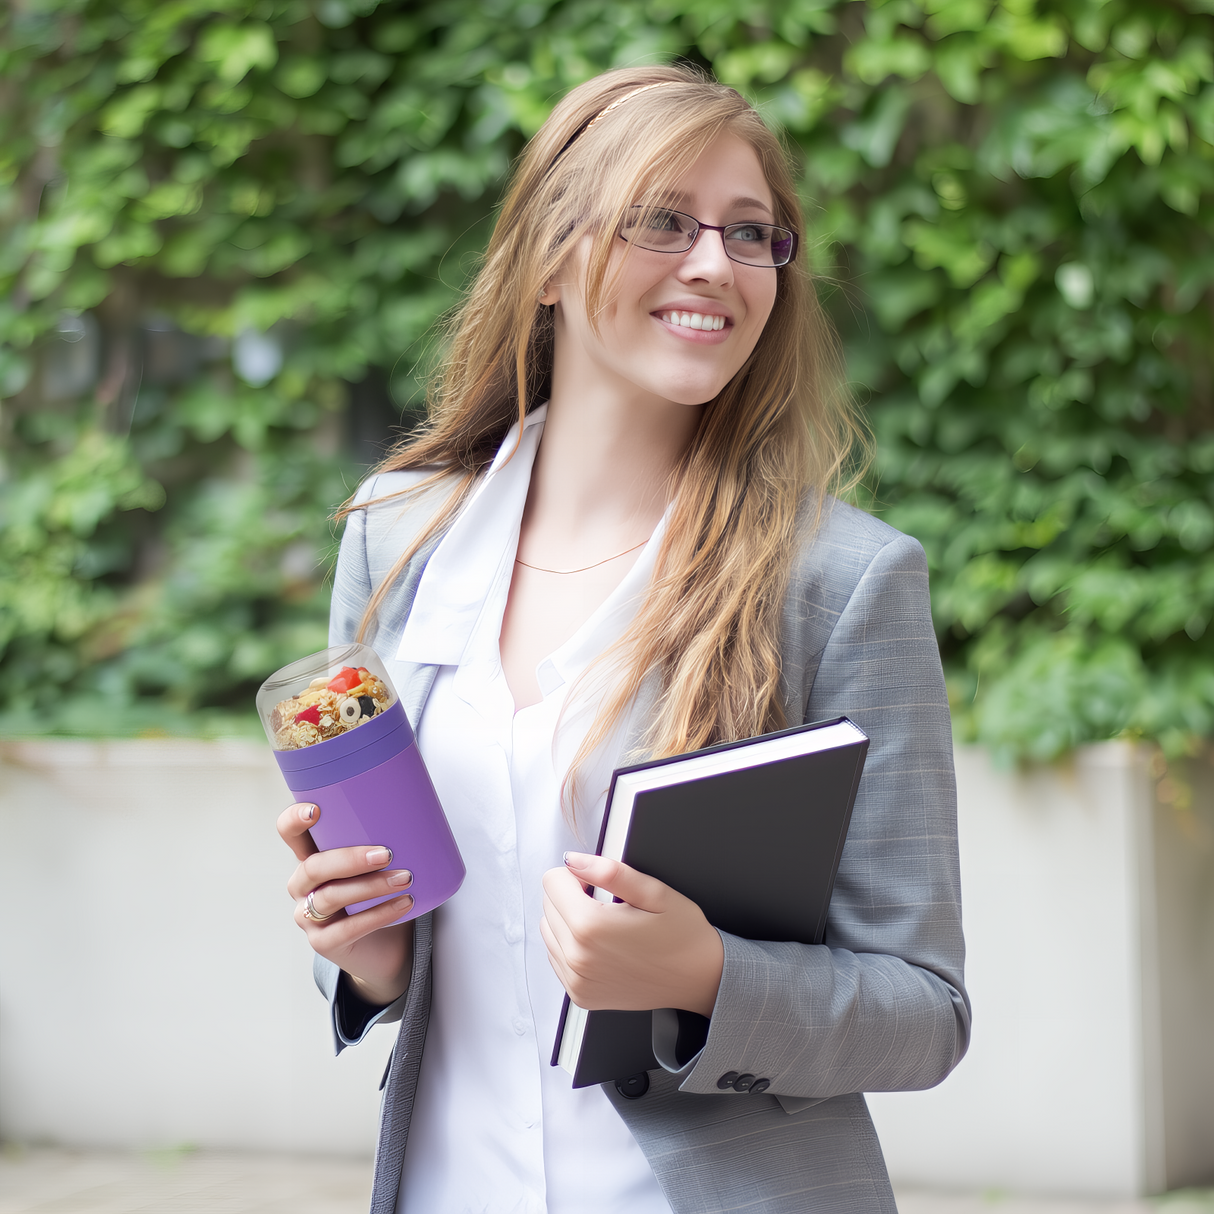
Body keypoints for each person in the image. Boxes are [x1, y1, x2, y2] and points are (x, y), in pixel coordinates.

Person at [276, 65, 970, 1214]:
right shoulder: (397, 536)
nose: (714, 263)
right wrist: (367, 955)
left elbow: (923, 1009)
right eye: (662, 219)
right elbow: (407, 937)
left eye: (751, 233)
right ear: (548, 258)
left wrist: (703, 974)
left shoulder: (840, 582)